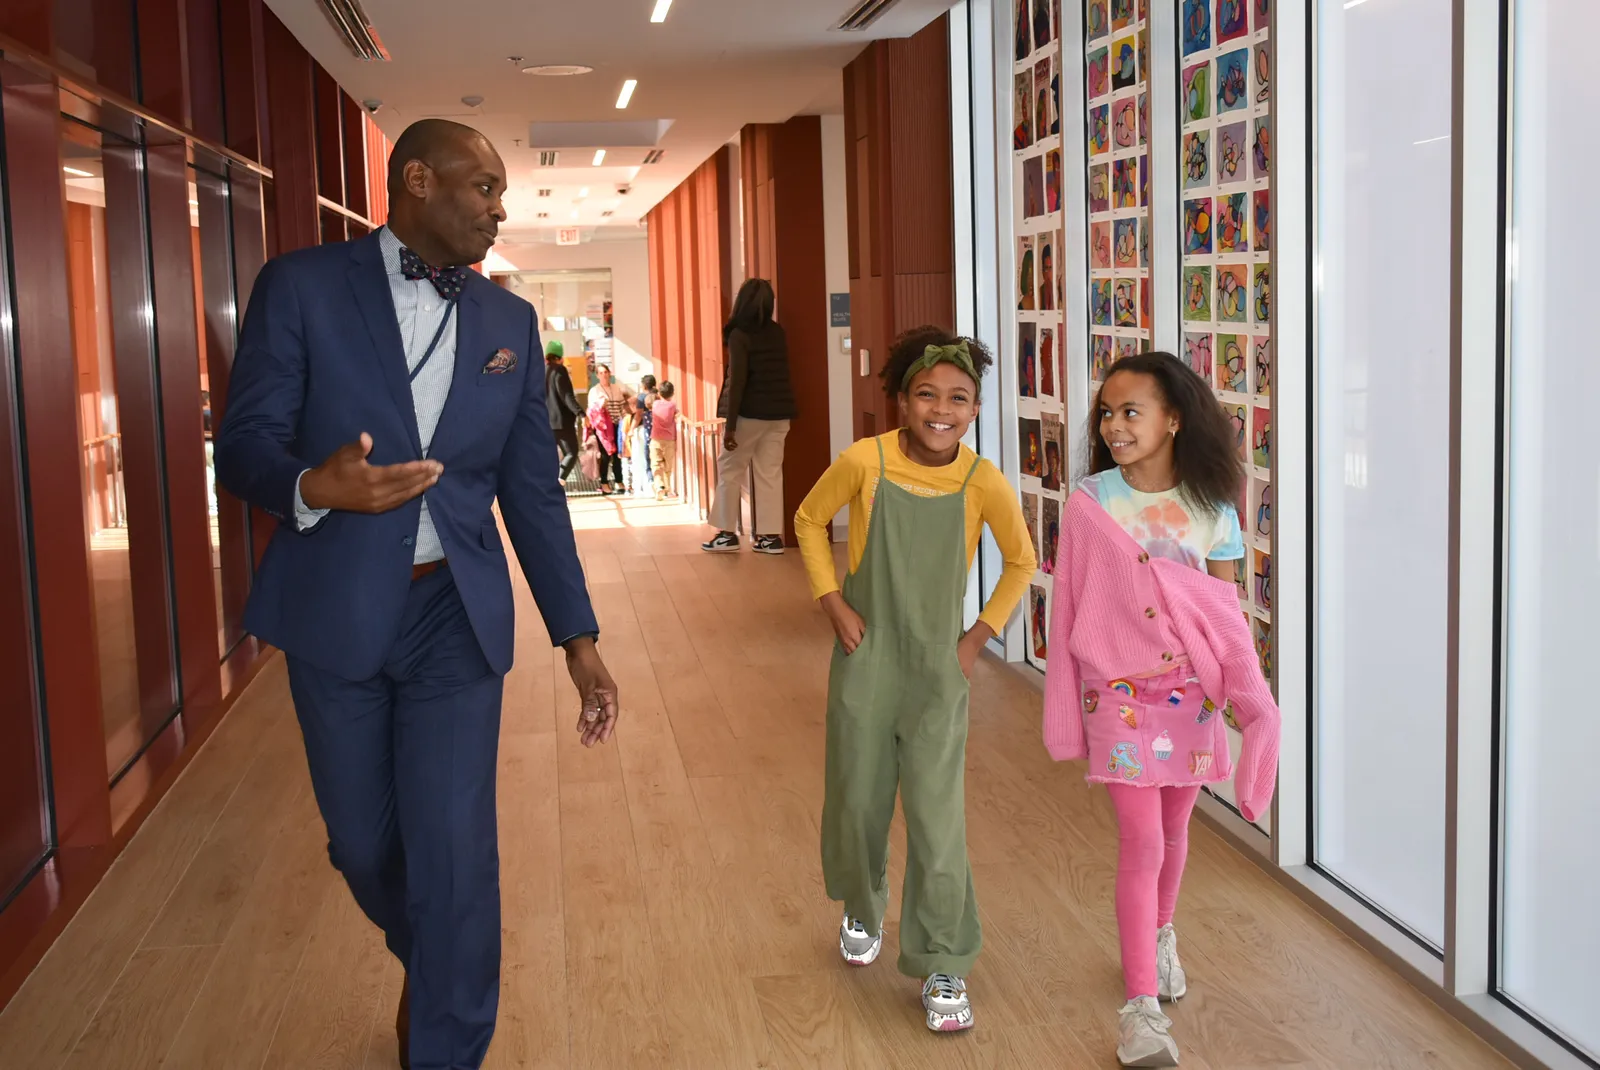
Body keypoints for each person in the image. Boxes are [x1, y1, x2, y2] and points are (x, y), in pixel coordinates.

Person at [213, 118, 621, 1070]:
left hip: (455, 617)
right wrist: (315, 487)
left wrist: (580, 638)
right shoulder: (302, 288)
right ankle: (436, 960)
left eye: (501, 194)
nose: (496, 208)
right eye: (482, 188)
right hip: (334, 611)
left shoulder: (508, 324)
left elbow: (531, 493)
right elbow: (243, 445)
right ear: (416, 181)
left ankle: (446, 1042)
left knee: (454, 857)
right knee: (362, 848)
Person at [1040, 352, 1281, 1067]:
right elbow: (1071, 607)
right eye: (1106, 414)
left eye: (1131, 412)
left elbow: (1226, 611)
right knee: (1140, 839)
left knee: (1177, 829)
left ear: (1173, 419)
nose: (1114, 426)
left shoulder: (1214, 504)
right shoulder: (1091, 501)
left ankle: (1161, 933)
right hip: (1118, 695)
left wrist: (1248, 695)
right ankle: (1140, 1008)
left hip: (1190, 696)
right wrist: (1067, 701)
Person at [793, 327, 1036, 1034]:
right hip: (866, 661)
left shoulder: (981, 480)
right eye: (926, 394)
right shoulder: (864, 462)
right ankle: (863, 909)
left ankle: (944, 960)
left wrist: (976, 641)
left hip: (938, 669)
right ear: (901, 400)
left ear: (976, 409)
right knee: (858, 803)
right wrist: (832, 602)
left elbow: (1020, 561)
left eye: (959, 398)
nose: (942, 408)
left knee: (937, 818)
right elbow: (810, 520)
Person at [702, 278, 796, 556]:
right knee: (770, 473)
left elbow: (738, 381)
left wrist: (730, 427)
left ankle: (727, 534)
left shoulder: (739, 334)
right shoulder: (777, 332)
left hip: (749, 415)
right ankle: (770, 538)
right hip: (780, 414)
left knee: (729, 470)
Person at [544, 340, 584, 484]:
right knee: (571, 453)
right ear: (560, 356)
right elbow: (566, 395)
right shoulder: (559, 370)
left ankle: (549, 485)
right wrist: (580, 413)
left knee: (549, 457)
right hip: (561, 422)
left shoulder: (541, 371)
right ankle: (559, 482)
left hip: (545, 422)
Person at [587, 364, 627, 493]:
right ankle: (604, 482)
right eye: (601, 373)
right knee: (605, 455)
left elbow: (622, 407)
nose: (604, 375)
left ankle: (618, 481)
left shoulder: (616, 388)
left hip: (617, 424)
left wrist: (624, 422)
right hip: (603, 428)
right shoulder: (594, 391)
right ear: (597, 375)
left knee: (617, 454)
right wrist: (600, 404)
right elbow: (592, 411)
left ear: (609, 373)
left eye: (606, 372)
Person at [649, 381, 679, 500]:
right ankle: (668, 489)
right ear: (672, 393)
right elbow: (677, 414)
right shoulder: (672, 406)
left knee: (656, 464)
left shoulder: (655, 404)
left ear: (660, 393)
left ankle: (659, 486)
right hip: (669, 440)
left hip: (655, 438)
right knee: (668, 466)